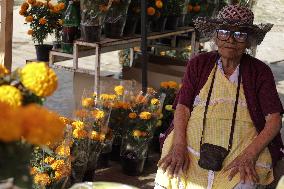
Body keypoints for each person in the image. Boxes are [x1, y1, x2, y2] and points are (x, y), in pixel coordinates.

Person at [155, 4, 284, 189]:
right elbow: (182, 106)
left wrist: (250, 155)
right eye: (224, 32)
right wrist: (178, 145)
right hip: (191, 143)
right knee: (171, 174)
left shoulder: (260, 71)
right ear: (215, 36)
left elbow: (274, 120)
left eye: (240, 34)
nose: (230, 39)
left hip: (243, 147)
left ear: (249, 41)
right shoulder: (199, 63)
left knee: (243, 181)